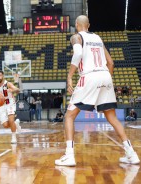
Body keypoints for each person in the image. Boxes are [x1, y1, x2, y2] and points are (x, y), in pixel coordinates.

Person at [55, 15, 140, 166]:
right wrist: (104, 81)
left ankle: (69, 155)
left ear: (76, 24)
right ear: (89, 25)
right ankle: (131, 154)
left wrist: (69, 76)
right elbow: (111, 63)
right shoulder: (98, 39)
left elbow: (79, 54)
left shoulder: (76, 37)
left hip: (89, 76)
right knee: (112, 117)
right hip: (105, 75)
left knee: (69, 116)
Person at [0, 70, 21, 144]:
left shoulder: (8, 84)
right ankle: (16, 124)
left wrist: (12, 90)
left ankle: (13, 137)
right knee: (6, 125)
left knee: (11, 120)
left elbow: (17, 89)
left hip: (10, 104)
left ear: (3, 76)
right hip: (2, 106)